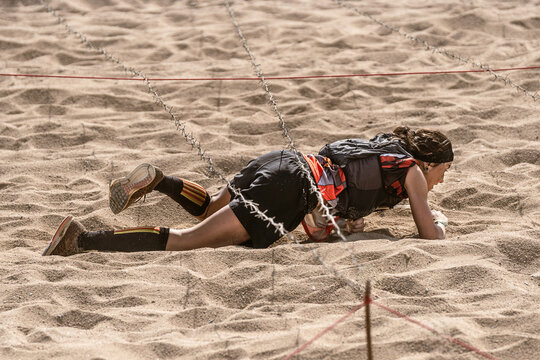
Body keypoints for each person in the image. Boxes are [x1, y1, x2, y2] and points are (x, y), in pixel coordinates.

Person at [43, 126, 453, 256]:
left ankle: (159, 181)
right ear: (429, 162)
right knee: (191, 241)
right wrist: (439, 222)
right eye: (444, 172)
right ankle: (80, 239)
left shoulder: (381, 150)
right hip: (291, 187)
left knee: (207, 211)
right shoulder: (412, 172)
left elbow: (320, 216)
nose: (440, 180)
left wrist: (344, 222)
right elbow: (429, 237)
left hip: (284, 161)